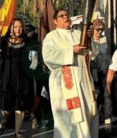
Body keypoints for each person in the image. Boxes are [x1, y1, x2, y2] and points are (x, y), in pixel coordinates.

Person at [42, 9, 98, 138]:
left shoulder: (79, 33)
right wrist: (71, 51)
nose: (66, 17)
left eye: (67, 15)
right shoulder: (51, 37)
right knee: (68, 121)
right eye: (62, 16)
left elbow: (92, 54)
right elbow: (48, 57)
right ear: (55, 21)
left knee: (86, 115)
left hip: (83, 79)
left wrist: (89, 40)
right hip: (64, 82)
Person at [0, 18, 34, 138]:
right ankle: (5, 121)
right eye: (15, 27)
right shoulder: (3, 41)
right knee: (6, 108)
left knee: (20, 107)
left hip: (23, 79)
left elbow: (33, 59)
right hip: (6, 78)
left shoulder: (27, 41)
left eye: (20, 27)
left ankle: (17, 133)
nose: (18, 29)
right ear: (10, 28)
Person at [90, 16, 112, 124]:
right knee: (95, 93)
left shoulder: (105, 39)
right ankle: (96, 114)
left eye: (100, 30)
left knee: (105, 93)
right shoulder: (90, 41)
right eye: (97, 30)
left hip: (104, 69)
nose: (99, 33)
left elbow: (107, 54)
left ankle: (106, 114)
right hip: (93, 70)